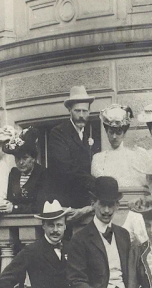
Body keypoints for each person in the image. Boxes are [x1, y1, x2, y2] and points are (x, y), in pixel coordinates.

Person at [47, 85, 100, 221]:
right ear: (69, 110)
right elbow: (65, 168)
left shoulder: (89, 134)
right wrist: (96, 184)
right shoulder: (58, 133)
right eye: (77, 111)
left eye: (84, 111)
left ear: (89, 111)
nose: (81, 116)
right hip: (66, 203)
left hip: (85, 205)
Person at [91, 104, 147, 190]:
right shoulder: (98, 159)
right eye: (111, 132)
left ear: (124, 133)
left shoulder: (134, 157)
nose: (114, 136)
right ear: (106, 132)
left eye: (118, 132)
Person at [3, 127, 50, 214]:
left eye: (25, 158)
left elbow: (41, 206)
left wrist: (15, 208)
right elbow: (10, 199)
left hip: (35, 222)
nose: (21, 162)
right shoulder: (14, 173)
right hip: (15, 222)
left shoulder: (43, 173)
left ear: (33, 158)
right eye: (17, 158)